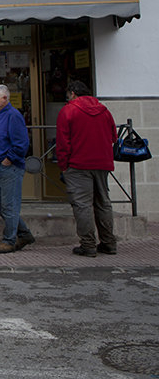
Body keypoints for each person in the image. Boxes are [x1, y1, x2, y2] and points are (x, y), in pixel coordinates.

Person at [56, 80, 118, 257]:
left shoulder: (69, 111)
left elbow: (63, 143)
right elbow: (114, 136)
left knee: (82, 205)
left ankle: (88, 244)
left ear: (73, 93)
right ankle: (108, 242)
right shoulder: (104, 111)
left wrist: (63, 166)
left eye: (68, 94)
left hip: (78, 164)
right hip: (103, 163)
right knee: (103, 203)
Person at [0, 84, 35, 254]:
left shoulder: (13, 116)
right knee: (1, 205)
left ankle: (9, 239)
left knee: (9, 205)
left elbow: (22, 143)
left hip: (9, 166)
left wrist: (9, 159)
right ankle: (25, 234)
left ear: (4, 98)